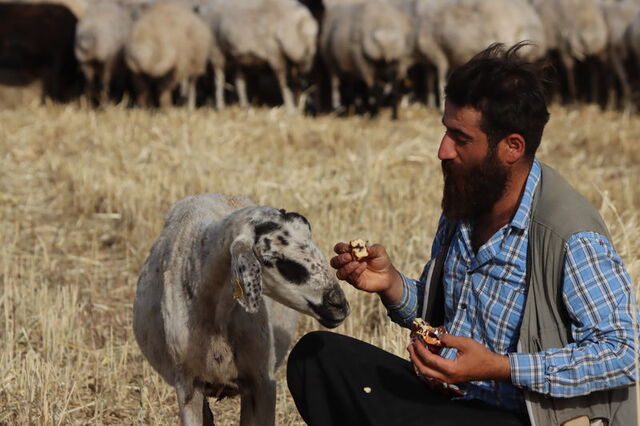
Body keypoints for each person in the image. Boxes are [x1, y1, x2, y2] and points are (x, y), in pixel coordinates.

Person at [286, 43, 638, 426]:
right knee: (317, 357)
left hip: (519, 417)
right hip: (453, 403)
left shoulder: (568, 233)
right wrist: (391, 285)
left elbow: (623, 352)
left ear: (512, 147)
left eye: (461, 138)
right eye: (445, 131)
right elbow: (443, 319)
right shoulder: (468, 202)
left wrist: (501, 367)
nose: (443, 150)